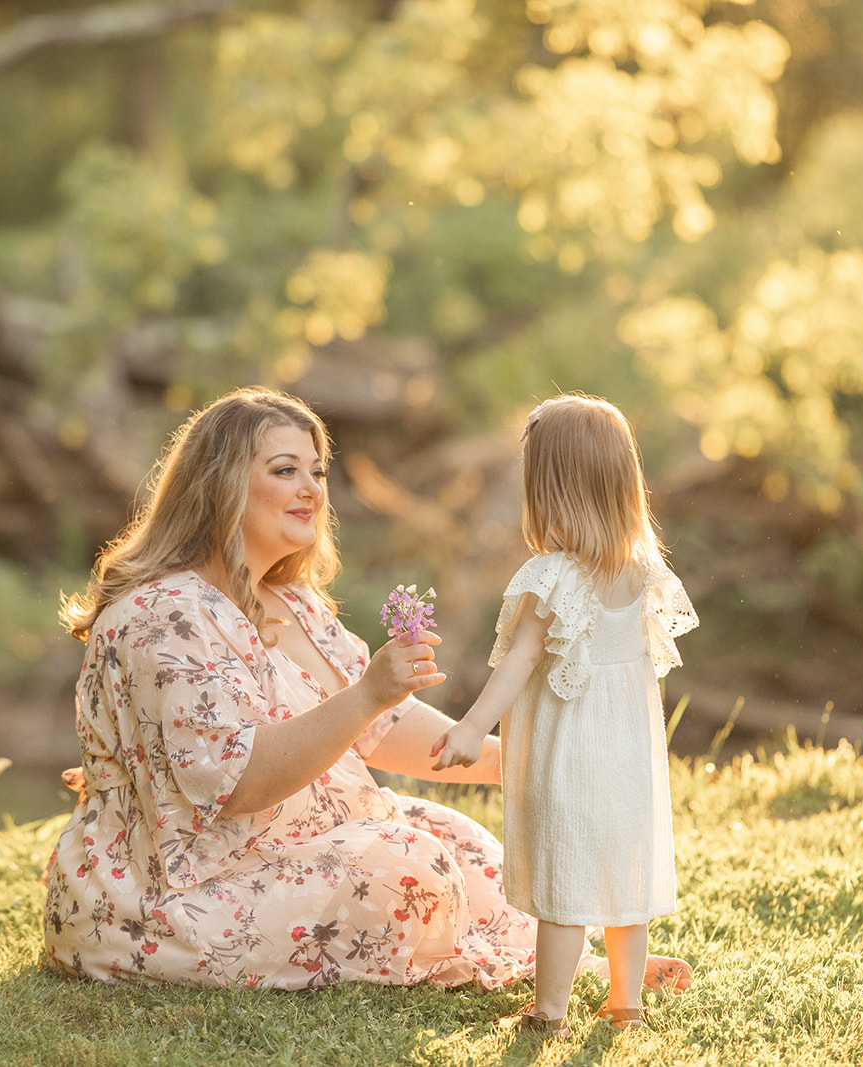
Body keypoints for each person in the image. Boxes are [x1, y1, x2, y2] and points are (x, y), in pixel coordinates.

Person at [42, 386, 693, 994]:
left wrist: (523, 763)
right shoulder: (167, 614)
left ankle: (564, 958)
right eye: (285, 469)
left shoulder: (289, 598)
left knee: (465, 844)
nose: (311, 489)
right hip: (175, 884)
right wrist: (367, 693)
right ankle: (519, 957)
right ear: (219, 484)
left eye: (318, 472)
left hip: (283, 841)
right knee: (409, 864)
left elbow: (380, 726)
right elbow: (237, 783)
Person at [431, 394, 699, 1037]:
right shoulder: (643, 570)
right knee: (620, 875)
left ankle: (550, 1011)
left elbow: (520, 662)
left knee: (566, 879)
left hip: (571, 749)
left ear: (548, 488)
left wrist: (471, 727)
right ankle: (624, 1003)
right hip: (630, 751)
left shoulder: (551, 575)